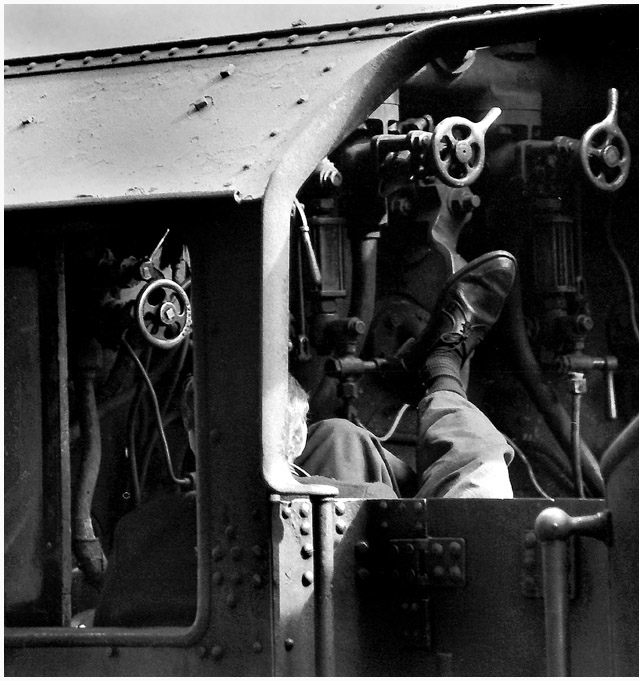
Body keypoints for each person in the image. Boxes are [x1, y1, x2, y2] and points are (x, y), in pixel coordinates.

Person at [94, 251, 516, 626]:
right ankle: (441, 369)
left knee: (339, 437)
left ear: (190, 436)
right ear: (296, 437)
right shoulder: (360, 503)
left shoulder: (139, 534)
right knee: (478, 469)